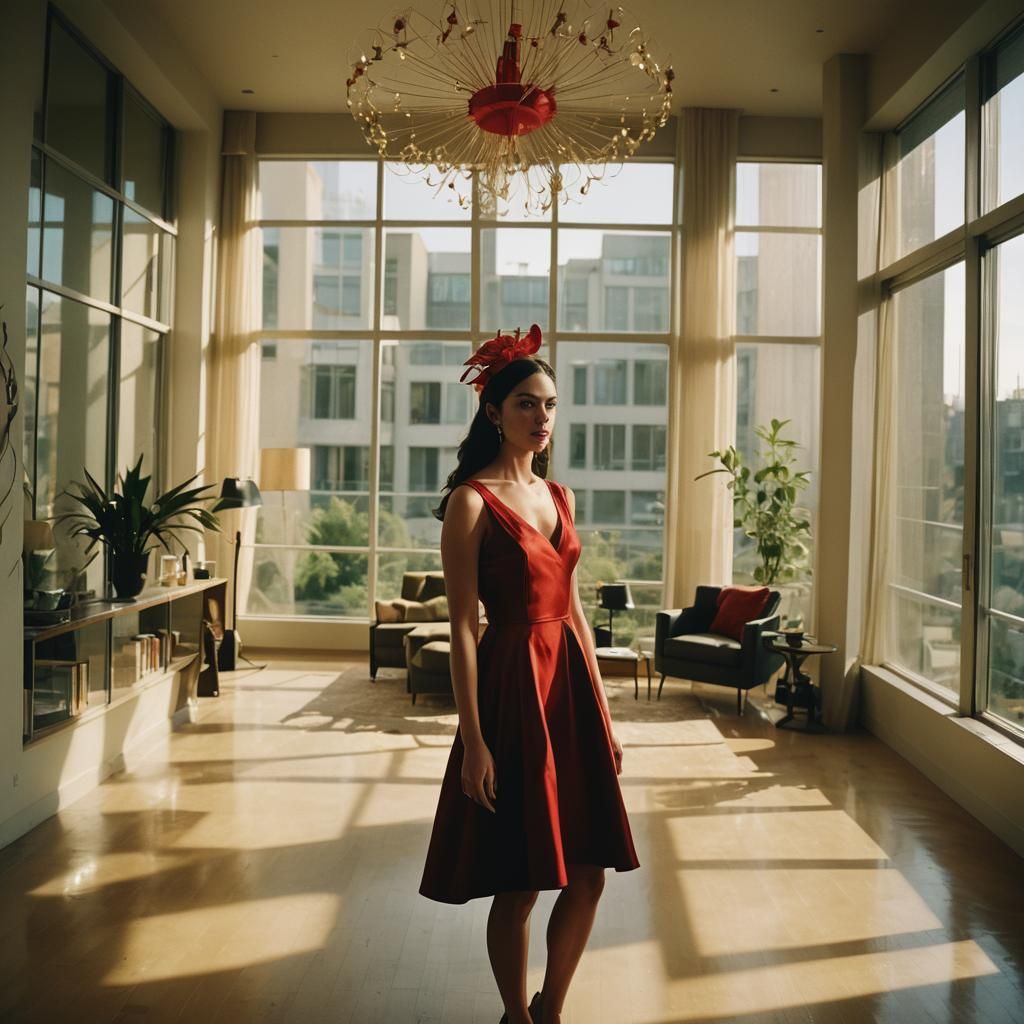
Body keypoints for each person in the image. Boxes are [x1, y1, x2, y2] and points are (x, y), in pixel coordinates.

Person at [418, 324, 640, 1024]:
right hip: (513, 688)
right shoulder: (471, 501)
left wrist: (604, 717)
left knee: (590, 872)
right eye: (525, 405)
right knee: (519, 883)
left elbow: (574, 613)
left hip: (568, 686)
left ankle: (551, 1010)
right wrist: (474, 741)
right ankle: (516, 1016)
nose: (540, 418)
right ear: (492, 412)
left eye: (548, 405)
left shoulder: (561, 496)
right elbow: (461, 626)